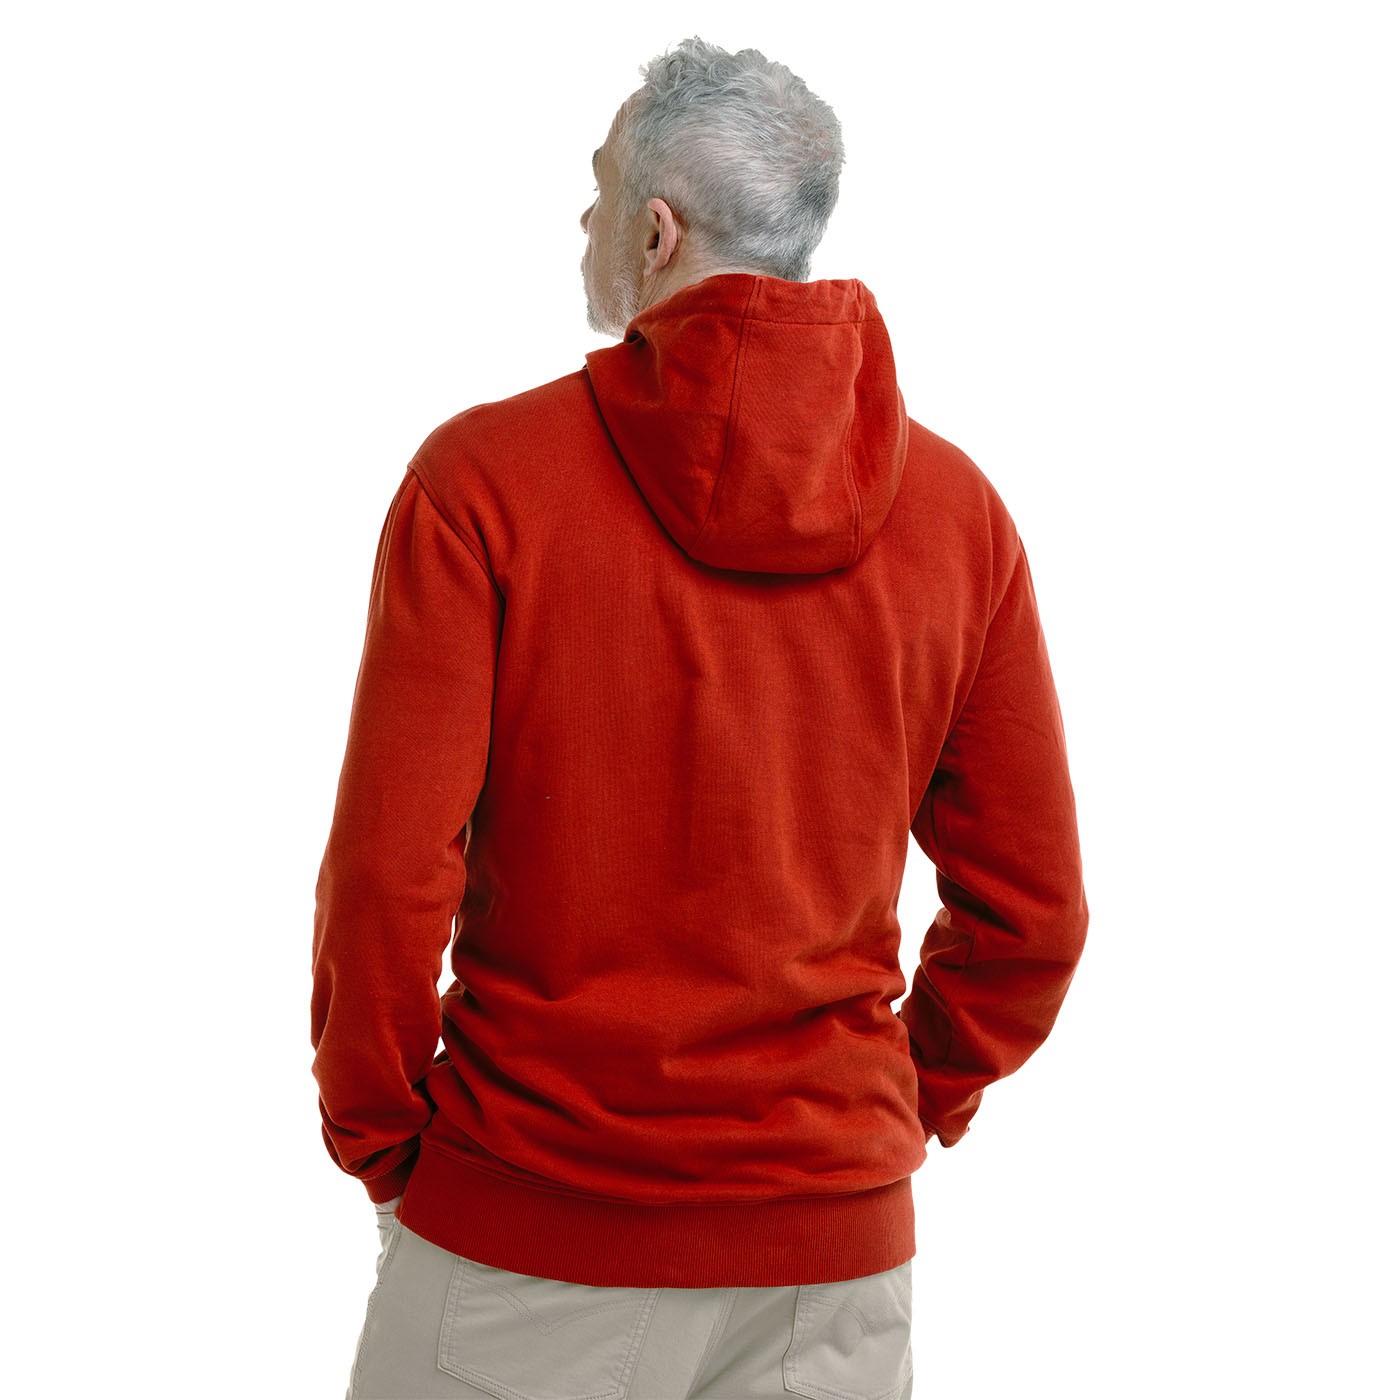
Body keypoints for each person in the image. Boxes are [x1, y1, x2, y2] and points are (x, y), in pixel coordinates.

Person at [311, 35, 1089, 1400]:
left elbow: (390, 872)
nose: (585, 220)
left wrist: (384, 1143)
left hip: (529, 1230)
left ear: (656, 231)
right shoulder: (959, 516)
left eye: (599, 189)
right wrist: (885, 1110)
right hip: (831, 1274)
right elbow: (1035, 911)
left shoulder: (482, 483)